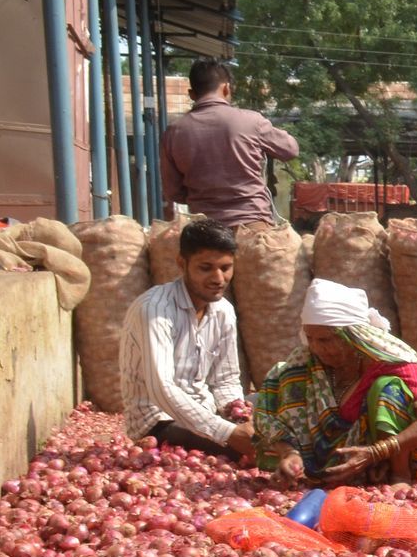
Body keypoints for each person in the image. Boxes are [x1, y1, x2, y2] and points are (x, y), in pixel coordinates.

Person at [251, 280, 417, 486]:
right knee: (280, 375)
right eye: (310, 338)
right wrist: (289, 453)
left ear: (353, 337)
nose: (316, 348)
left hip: (387, 455)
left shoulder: (390, 363)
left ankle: (399, 476)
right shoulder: (306, 363)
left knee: (388, 388)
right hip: (329, 460)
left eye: (326, 340)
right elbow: (273, 415)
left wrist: (375, 452)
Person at [119, 219, 254, 458]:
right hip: (159, 421)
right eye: (206, 267)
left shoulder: (223, 310)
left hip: (206, 412)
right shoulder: (155, 309)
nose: (218, 278)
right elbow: (162, 389)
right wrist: (229, 433)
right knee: (248, 449)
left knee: (276, 406)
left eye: (225, 268)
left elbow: (226, 380)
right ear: (182, 263)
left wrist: (238, 415)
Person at [160, 58, 299, 228]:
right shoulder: (251, 121)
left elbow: (173, 191)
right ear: (226, 88)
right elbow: (290, 150)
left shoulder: (173, 132)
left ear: (192, 94)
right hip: (252, 227)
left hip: (204, 233)